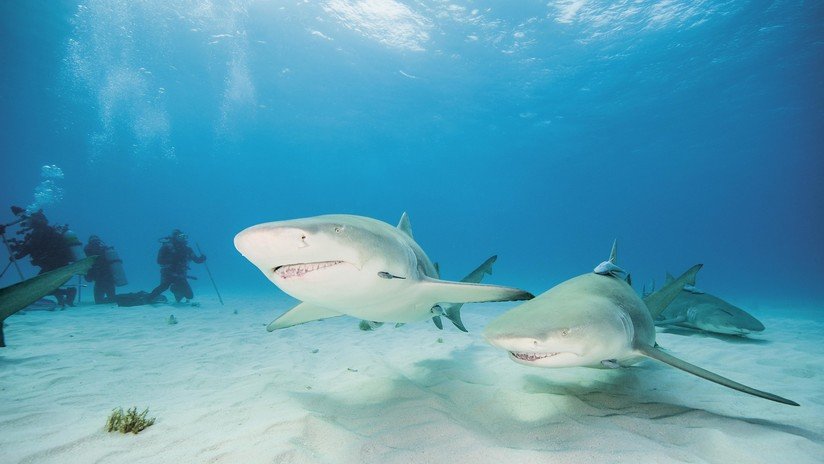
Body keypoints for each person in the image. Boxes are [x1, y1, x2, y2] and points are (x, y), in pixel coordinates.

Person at [8, 209, 77, 307]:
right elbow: (34, 246)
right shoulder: (46, 230)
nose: (27, 223)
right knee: (47, 285)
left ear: (35, 221)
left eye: (29, 221)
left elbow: (30, 247)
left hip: (53, 263)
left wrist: (17, 255)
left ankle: (68, 293)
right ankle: (64, 296)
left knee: (40, 287)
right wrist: (19, 248)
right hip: (57, 262)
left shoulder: (40, 231)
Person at [146, 229, 206, 303]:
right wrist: (172, 261)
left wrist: (202, 259)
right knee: (163, 286)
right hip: (168, 273)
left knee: (189, 296)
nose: (183, 238)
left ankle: (174, 289)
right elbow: (159, 261)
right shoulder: (166, 247)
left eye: (184, 236)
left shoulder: (188, 249)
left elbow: (196, 260)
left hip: (180, 274)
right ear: (175, 237)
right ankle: (148, 299)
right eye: (180, 236)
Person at [83, 235, 116, 304]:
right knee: (110, 300)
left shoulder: (87, 251)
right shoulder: (105, 249)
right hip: (107, 279)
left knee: (100, 301)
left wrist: (88, 276)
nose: (95, 245)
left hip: (101, 279)